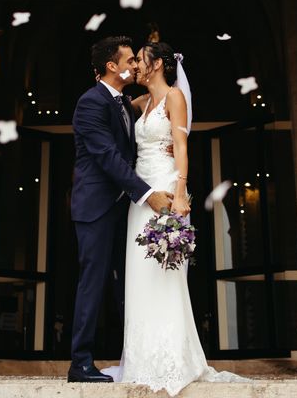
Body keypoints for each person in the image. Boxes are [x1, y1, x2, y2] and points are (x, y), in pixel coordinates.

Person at [104, 42, 251, 395]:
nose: (136, 65)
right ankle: (140, 359)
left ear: (156, 65)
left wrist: (181, 192)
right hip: (140, 196)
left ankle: (171, 358)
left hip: (167, 191)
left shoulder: (174, 98)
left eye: (140, 59)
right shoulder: (139, 104)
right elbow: (114, 109)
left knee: (166, 276)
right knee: (139, 276)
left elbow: (182, 147)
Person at [68, 36, 173, 383]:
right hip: (96, 207)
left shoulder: (122, 102)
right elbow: (108, 157)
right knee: (92, 283)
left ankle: (139, 357)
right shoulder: (90, 102)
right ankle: (80, 363)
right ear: (112, 66)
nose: (135, 65)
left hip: (121, 209)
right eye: (130, 60)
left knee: (127, 286)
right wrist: (148, 194)